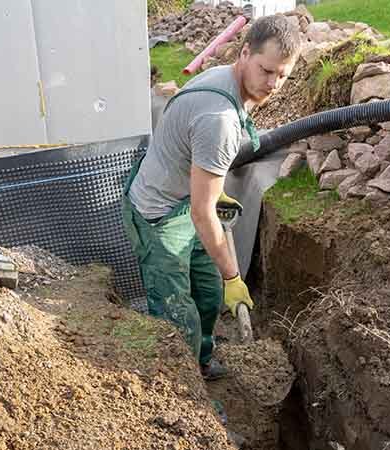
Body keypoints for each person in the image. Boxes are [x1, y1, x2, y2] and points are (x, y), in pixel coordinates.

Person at [122, 14, 299, 380]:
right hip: (158, 214)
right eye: (266, 70)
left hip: (186, 199)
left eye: (283, 75)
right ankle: (183, 393)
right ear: (245, 53)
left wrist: (214, 194)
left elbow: (201, 192)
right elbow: (204, 215)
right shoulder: (217, 119)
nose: (274, 83)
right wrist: (235, 277)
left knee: (206, 293)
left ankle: (199, 363)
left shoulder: (229, 82)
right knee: (177, 319)